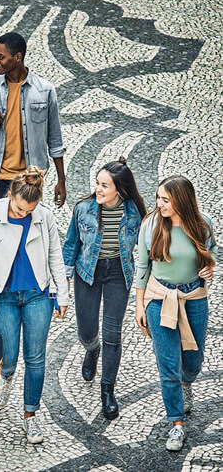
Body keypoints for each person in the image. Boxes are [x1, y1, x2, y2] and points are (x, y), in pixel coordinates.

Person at [0, 166, 69, 444]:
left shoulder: (45, 218)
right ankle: (6, 378)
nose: (23, 214)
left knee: (36, 358)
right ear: (10, 195)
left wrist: (62, 295)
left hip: (37, 294)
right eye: (19, 209)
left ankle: (30, 415)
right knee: (9, 357)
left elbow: (56, 255)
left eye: (29, 210)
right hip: (3, 295)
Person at [134, 175, 216, 452]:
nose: (159, 204)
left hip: (194, 296)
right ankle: (176, 424)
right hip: (159, 298)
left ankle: (187, 382)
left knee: (193, 360)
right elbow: (142, 267)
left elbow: (213, 252)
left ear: (181, 200)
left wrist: (210, 268)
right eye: (158, 198)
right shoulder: (151, 224)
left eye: (165, 200)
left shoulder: (202, 224)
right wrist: (139, 305)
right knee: (167, 364)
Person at [62, 158, 146, 420]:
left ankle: (107, 391)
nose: (98, 189)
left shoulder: (135, 213)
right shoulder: (83, 209)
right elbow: (71, 245)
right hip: (87, 273)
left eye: (104, 185)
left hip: (118, 275)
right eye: (97, 183)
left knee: (113, 335)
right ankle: (92, 349)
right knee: (87, 331)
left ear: (119, 190)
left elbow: (147, 249)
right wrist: (64, 280)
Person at [0, 32, 66, 205]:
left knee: (28, 226)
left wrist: (61, 181)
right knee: (2, 227)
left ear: (17, 57)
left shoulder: (44, 90)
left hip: (30, 176)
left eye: (1, 57)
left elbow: (55, 139)